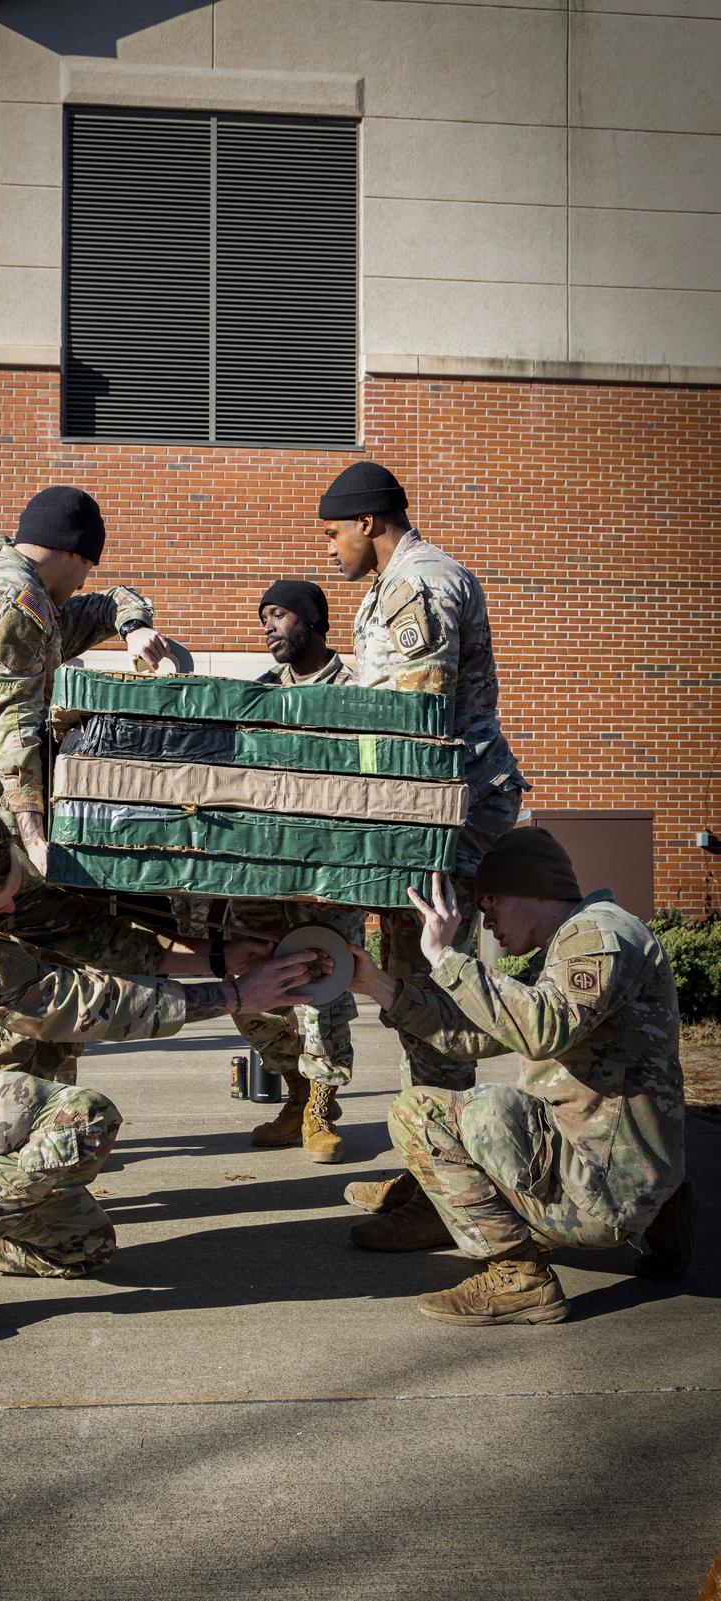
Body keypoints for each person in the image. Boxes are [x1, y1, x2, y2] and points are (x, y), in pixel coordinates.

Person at [0, 800, 321, 1346]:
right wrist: (234, 994)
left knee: (84, 1251)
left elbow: (77, 933)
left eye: (9, 895)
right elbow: (86, 1005)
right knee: (81, 1121)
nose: (10, 913)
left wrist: (219, 956)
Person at [346, 828, 693, 1325]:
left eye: (491, 904)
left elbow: (542, 1030)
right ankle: (665, 1221)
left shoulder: (598, 932)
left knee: (420, 1113)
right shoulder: (564, 947)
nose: (486, 923)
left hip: (599, 1189)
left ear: (531, 888)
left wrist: (445, 958)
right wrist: (375, 983)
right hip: (634, 1171)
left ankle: (518, 1275)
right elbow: (475, 1031)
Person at [321, 461, 526, 1236]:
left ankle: (450, 1193)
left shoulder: (418, 586)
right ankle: (430, 1168)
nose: (330, 548)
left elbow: (413, 730)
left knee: (432, 995)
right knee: (415, 994)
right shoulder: (399, 584)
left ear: (370, 522)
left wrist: (390, 842)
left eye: (335, 532)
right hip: (428, 815)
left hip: (439, 819)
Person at [0, 485, 172, 878]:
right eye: (88, 568)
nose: (84, 583)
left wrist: (134, 627)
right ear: (73, 552)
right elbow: (10, 717)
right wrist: (34, 837)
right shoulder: (16, 596)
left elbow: (107, 604)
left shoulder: (20, 592)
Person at [228, 580, 366, 1161]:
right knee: (254, 989)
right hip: (262, 874)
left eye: (278, 615)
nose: (267, 627)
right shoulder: (260, 695)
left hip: (327, 873)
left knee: (320, 990)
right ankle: (294, 1092)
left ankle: (319, 1109)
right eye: (263, 617)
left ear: (310, 620)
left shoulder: (357, 689)